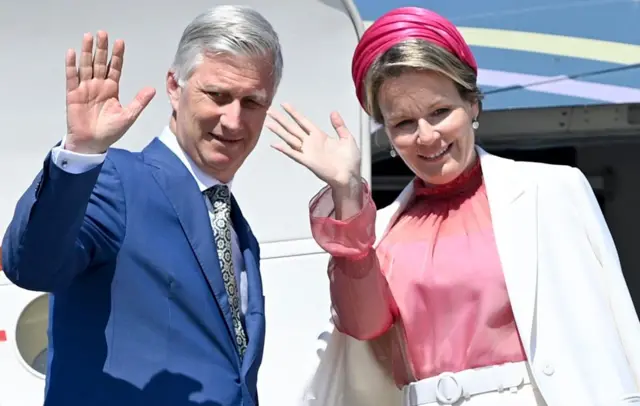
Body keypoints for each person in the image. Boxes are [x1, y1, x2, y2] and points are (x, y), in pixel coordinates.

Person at [266, 6, 640, 406]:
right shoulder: (382, 232)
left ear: (473, 105)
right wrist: (345, 191)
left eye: (440, 112)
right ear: (387, 135)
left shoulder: (550, 190)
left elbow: (615, 326)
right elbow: (362, 328)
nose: (426, 136)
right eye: (404, 123)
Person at [2, 5, 282, 406]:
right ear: (174, 86)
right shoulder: (113, 179)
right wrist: (81, 154)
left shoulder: (237, 227)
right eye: (217, 95)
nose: (234, 121)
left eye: (252, 102)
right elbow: (31, 264)